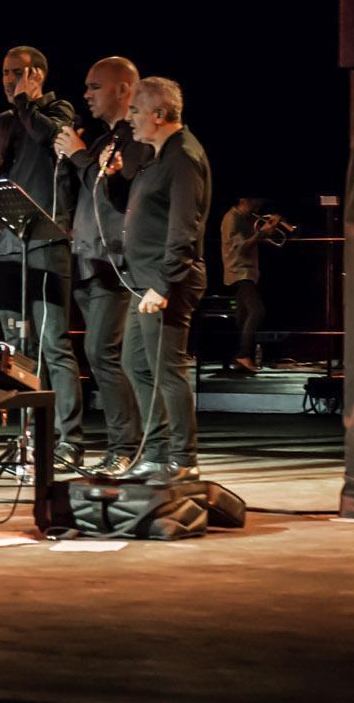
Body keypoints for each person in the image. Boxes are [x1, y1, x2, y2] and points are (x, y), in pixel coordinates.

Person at [0, 45, 82, 468]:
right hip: (4, 245)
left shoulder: (59, 112)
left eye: (16, 72)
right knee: (18, 345)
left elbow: (47, 139)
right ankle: (30, 437)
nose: (8, 79)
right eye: (4, 72)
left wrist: (24, 102)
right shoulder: (1, 122)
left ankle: (68, 438)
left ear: (36, 74)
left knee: (53, 342)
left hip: (46, 241)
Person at [107, 77, 212, 483]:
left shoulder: (183, 156)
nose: (129, 117)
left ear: (159, 114)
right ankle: (155, 452)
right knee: (137, 364)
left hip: (167, 282)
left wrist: (165, 284)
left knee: (167, 370)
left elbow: (185, 226)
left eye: (135, 110)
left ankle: (183, 459)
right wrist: (115, 178)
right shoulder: (156, 156)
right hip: (145, 280)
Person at [54, 57, 153, 480]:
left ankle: (126, 445)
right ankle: (127, 443)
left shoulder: (137, 140)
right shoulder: (100, 142)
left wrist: (78, 157)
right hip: (88, 260)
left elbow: (122, 187)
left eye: (95, 87)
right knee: (100, 354)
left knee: (104, 353)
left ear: (123, 89)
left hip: (117, 264)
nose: (87, 94)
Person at [220, 196, 279, 373]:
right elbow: (240, 248)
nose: (258, 207)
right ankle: (243, 354)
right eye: (255, 203)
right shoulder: (233, 218)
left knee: (242, 316)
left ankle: (238, 356)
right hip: (240, 271)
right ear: (244, 200)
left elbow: (251, 241)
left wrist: (268, 230)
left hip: (246, 272)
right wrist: (262, 232)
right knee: (257, 311)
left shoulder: (243, 219)